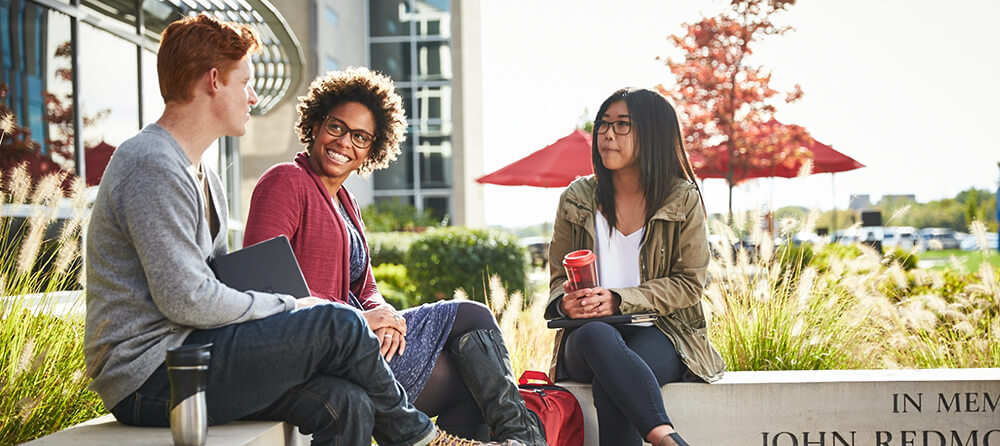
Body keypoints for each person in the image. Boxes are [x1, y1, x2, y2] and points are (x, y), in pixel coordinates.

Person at [83, 14, 517, 446]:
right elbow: (186, 298)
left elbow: (217, 282)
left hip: (197, 354)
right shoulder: (151, 163)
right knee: (337, 321)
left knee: (347, 402)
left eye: (361, 138)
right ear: (214, 81)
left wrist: (327, 312)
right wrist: (297, 307)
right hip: (153, 375)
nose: (252, 96)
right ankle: (420, 439)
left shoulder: (206, 177)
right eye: (246, 82)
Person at [242, 67, 545, 446]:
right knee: (472, 323)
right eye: (337, 127)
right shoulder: (286, 181)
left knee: (470, 366)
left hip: (365, 337)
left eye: (360, 137)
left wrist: (385, 319)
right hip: (322, 350)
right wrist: (361, 319)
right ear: (317, 124)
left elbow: (365, 285)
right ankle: (527, 441)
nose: (344, 142)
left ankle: (521, 440)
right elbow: (261, 287)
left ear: (372, 149)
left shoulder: (346, 202)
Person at [544, 88, 726, 446]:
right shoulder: (576, 199)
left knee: (612, 382)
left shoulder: (682, 198)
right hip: (586, 336)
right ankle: (666, 438)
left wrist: (618, 299)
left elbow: (689, 284)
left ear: (653, 133)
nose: (607, 134)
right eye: (603, 125)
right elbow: (555, 282)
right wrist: (565, 303)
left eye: (622, 125)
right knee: (599, 336)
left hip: (661, 332)